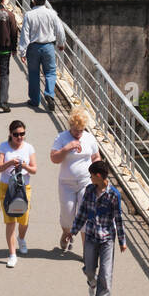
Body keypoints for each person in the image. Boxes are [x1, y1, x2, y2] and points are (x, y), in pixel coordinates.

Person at [69, 159, 126, 296]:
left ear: (99, 176)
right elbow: (82, 212)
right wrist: (72, 232)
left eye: (92, 176)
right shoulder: (89, 190)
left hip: (107, 238)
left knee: (106, 273)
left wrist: (122, 241)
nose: (90, 178)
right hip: (91, 236)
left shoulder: (113, 194)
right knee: (89, 269)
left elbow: (118, 218)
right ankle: (91, 282)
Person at [50, 107, 101, 253]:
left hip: (86, 182)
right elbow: (54, 158)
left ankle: (87, 251)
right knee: (68, 214)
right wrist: (67, 148)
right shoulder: (61, 138)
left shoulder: (89, 138)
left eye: (81, 130)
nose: (78, 133)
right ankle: (66, 232)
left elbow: (96, 157)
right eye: (75, 130)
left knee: (84, 216)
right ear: (70, 126)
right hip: (66, 183)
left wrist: (98, 171)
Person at [0, 119, 37, 266]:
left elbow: (34, 169)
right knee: (10, 220)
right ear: (10, 134)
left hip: (23, 188)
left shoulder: (29, 148)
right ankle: (12, 254)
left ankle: (21, 238)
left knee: (24, 219)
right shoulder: (3, 147)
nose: (19, 137)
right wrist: (9, 162)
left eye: (22, 134)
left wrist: (24, 165)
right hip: (7, 187)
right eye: (16, 134)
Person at [18, 0, 66, 111]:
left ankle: (35, 100)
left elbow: (25, 34)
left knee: (34, 74)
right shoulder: (52, 14)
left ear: (33, 1)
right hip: (48, 46)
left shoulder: (29, 15)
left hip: (33, 47)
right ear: (45, 1)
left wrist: (22, 51)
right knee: (50, 72)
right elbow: (60, 30)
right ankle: (49, 94)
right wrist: (61, 43)